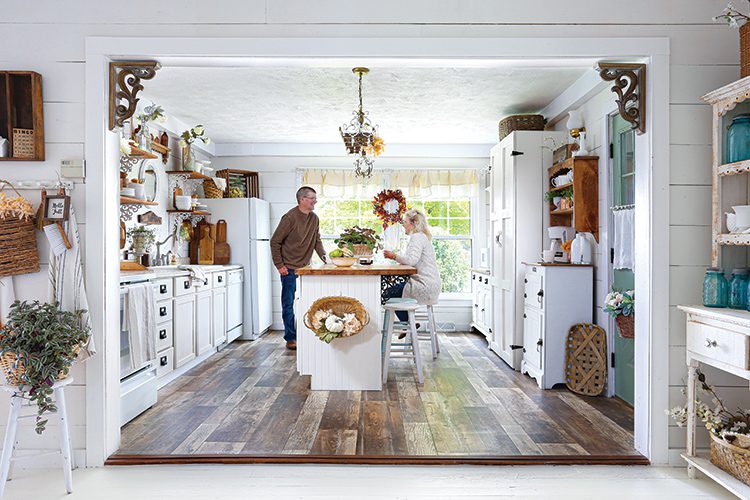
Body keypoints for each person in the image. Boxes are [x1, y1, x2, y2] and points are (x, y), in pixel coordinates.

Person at [270, 186, 326, 350]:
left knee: (309, 303)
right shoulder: (289, 218)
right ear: (302, 199)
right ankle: (290, 337)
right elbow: (275, 242)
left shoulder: (314, 219)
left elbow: (317, 241)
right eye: (312, 198)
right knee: (288, 304)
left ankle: (308, 334)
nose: (315, 201)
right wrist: (280, 265)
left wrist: (326, 259)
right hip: (288, 269)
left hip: (305, 269)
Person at [383, 209, 441, 336]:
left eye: (405, 222)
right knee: (393, 291)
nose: (403, 224)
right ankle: (409, 322)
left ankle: (408, 323)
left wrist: (393, 256)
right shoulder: (422, 237)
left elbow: (411, 260)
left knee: (388, 292)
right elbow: (413, 260)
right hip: (430, 283)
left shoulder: (417, 237)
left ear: (413, 223)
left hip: (425, 285)